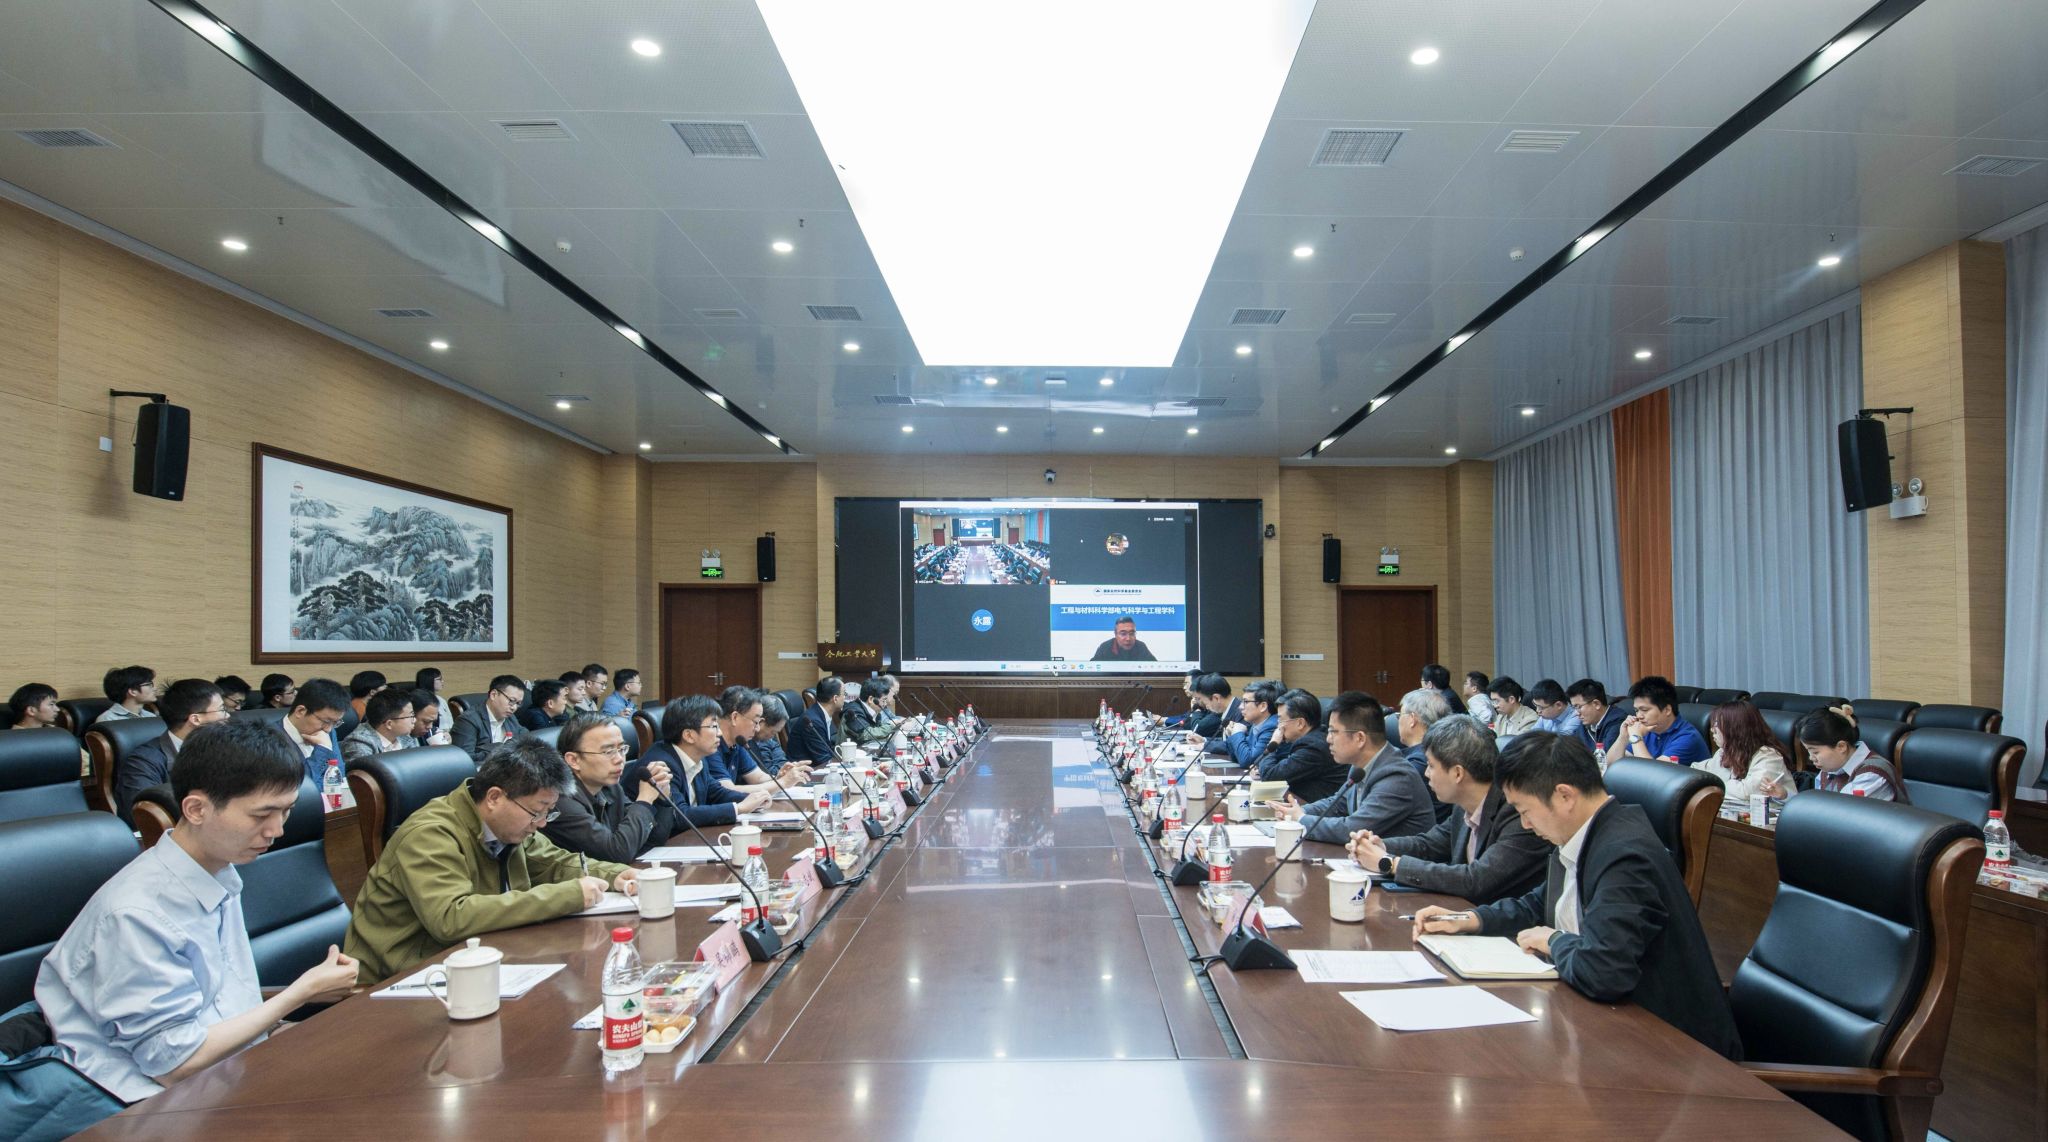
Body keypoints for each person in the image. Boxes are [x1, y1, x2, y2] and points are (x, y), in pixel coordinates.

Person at [1414, 732, 1742, 1059]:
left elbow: (1603, 971)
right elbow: (1540, 904)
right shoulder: (1585, 835)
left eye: (1525, 810)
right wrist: (1470, 919)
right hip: (1615, 1029)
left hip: (1676, 1054)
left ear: (1564, 796)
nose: (1525, 824)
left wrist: (1554, 940)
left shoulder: (1626, 856)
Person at [343, 737, 638, 984]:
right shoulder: (430, 834)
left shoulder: (509, 826)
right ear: (495, 797)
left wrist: (615, 874)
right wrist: (569, 895)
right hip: (404, 977)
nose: (541, 823)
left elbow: (555, 862)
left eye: (549, 812)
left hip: (474, 960)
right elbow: (451, 917)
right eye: (537, 811)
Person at [1348, 716, 1550, 904]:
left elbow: (1475, 880)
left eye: (1431, 765)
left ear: (1457, 773)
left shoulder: (1517, 813)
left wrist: (1389, 863)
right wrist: (1380, 846)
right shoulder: (1464, 806)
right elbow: (1429, 845)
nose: (1426, 774)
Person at [1272, 692, 1432, 844]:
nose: (1328, 739)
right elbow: (1338, 804)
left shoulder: (1397, 777)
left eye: (1333, 732)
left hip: (1394, 861)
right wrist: (1298, 810)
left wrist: (1301, 819)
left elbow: (1352, 828)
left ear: (1360, 738)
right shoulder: (1361, 765)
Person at [542, 713, 678, 862]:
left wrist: (663, 799)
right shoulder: (559, 801)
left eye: (622, 749)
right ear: (573, 760)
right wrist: (644, 800)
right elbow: (617, 853)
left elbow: (652, 840)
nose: (620, 759)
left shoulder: (610, 787)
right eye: (608, 752)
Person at [635, 695, 772, 826]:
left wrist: (753, 799)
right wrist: (739, 808)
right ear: (689, 735)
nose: (719, 733)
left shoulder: (698, 758)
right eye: (714, 726)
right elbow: (679, 815)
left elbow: (716, 793)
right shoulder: (662, 764)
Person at [115, 679, 229, 825]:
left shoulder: (226, 749)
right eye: (221, 709)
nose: (227, 716)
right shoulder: (143, 761)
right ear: (195, 719)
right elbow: (144, 816)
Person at [1776, 707, 1905, 801]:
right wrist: (1785, 795)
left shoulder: (1872, 774)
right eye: (1808, 751)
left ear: (1841, 746)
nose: (1811, 758)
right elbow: (1819, 806)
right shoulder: (1831, 767)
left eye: (1815, 751)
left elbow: (1838, 812)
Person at [1689, 701, 1791, 803]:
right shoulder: (1725, 751)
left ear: (1735, 728)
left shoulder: (1769, 756)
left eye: (1717, 724)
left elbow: (1748, 792)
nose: (1712, 730)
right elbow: (1697, 770)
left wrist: (1709, 783)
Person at [1259, 688, 1346, 802]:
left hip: (1319, 809)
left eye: (1280, 720)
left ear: (1300, 723)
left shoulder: (1313, 747)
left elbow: (1270, 778)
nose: (1278, 726)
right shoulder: (1314, 737)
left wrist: (1273, 743)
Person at [1604, 676, 1710, 767]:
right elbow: (1609, 765)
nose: (1639, 716)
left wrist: (1636, 737)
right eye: (1636, 710)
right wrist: (1623, 737)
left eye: (1644, 710)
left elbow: (1653, 774)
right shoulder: (1648, 729)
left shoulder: (1687, 737)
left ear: (1667, 710)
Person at [708, 686, 782, 791]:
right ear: (734, 717)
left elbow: (758, 777)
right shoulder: (710, 744)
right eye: (756, 721)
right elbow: (727, 790)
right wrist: (783, 783)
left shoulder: (736, 742)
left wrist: (781, 777)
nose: (757, 728)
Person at [276, 679, 347, 788]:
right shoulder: (269, 739)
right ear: (300, 711)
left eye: (336, 722)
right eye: (326, 721)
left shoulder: (328, 731)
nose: (328, 729)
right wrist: (323, 749)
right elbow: (302, 788)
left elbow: (338, 777)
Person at [452, 675, 527, 763]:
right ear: (493, 695)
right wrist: (502, 749)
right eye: (511, 701)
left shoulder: (510, 717)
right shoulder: (468, 721)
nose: (514, 707)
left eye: (518, 703)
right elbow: (465, 759)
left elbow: (524, 735)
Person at [340, 689, 417, 764]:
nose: (414, 720)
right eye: (411, 716)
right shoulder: (359, 743)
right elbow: (366, 771)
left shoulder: (403, 736)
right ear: (389, 724)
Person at [1217, 680, 1281, 766]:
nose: (1240, 707)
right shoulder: (1256, 724)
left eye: (1246, 702)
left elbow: (1248, 761)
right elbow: (1236, 757)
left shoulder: (1272, 726)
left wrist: (1237, 733)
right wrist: (1232, 735)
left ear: (1263, 706)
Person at [785, 676, 844, 763]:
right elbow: (823, 759)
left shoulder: (821, 713)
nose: (845, 698)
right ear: (835, 699)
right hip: (805, 769)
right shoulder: (814, 722)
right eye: (844, 694)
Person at [1566, 679, 1627, 754]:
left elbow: (1604, 755)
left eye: (1578, 707)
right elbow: (1569, 749)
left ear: (1596, 704)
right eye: (1574, 707)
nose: (1576, 713)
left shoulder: (1617, 720)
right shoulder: (1585, 724)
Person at [752, 697, 798, 777]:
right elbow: (768, 771)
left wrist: (788, 769)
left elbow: (783, 762)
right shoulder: (746, 743)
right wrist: (783, 771)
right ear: (761, 722)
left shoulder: (769, 739)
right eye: (773, 732)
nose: (772, 737)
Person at [1181, 673, 1232, 741]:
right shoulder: (1227, 709)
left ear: (1216, 698)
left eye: (1198, 699)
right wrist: (1204, 740)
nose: (1207, 707)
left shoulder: (1239, 713)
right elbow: (1226, 742)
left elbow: (1198, 729)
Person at [842, 679, 892, 746]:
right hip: (849, 752)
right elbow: (866, 734)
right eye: (883, 700)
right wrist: (892, 726)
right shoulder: (853, 711)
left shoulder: (875, 713)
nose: (885, 704)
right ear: (871, 699)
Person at [1487, 676, 1538, 741]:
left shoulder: (1530, 719)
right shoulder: (1501, 717)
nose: (1494, 706)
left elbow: (1518, 744)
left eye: (1496, 701)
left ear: (1511, 699)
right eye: (1493, 702)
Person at [1091, 616, 1156, 663]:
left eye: (1131, 633)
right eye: (1123, 634)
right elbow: (1091, 669)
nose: (1128, 638)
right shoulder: (1105, 647)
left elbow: (1155, 667)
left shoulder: (1141, 646)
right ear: (1115, 634)